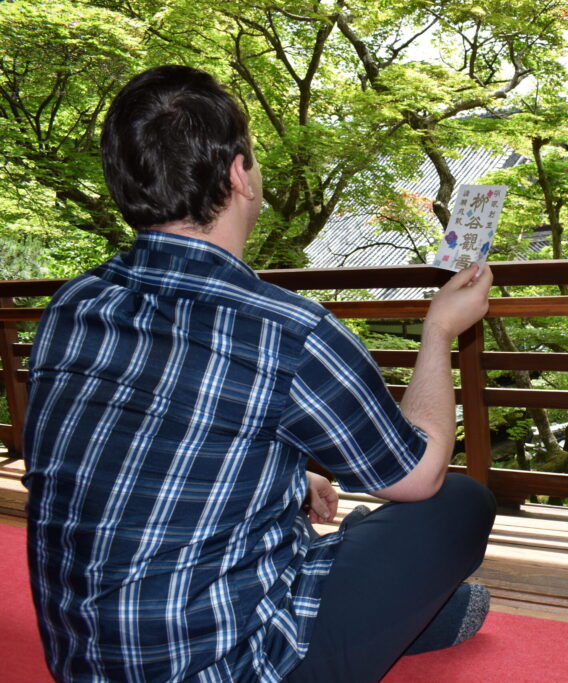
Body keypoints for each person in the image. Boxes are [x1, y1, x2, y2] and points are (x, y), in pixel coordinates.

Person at [23, 64, 496, 682]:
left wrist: (293, 477)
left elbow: (128, 443)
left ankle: (398, 605)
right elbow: (419, 475)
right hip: (227, 666)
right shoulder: (285, 327)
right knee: (459, 502)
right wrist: (438, 334)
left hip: (84, 659)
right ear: (239, 173)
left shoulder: (75, 302)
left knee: (327, 529)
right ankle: (405, 611)